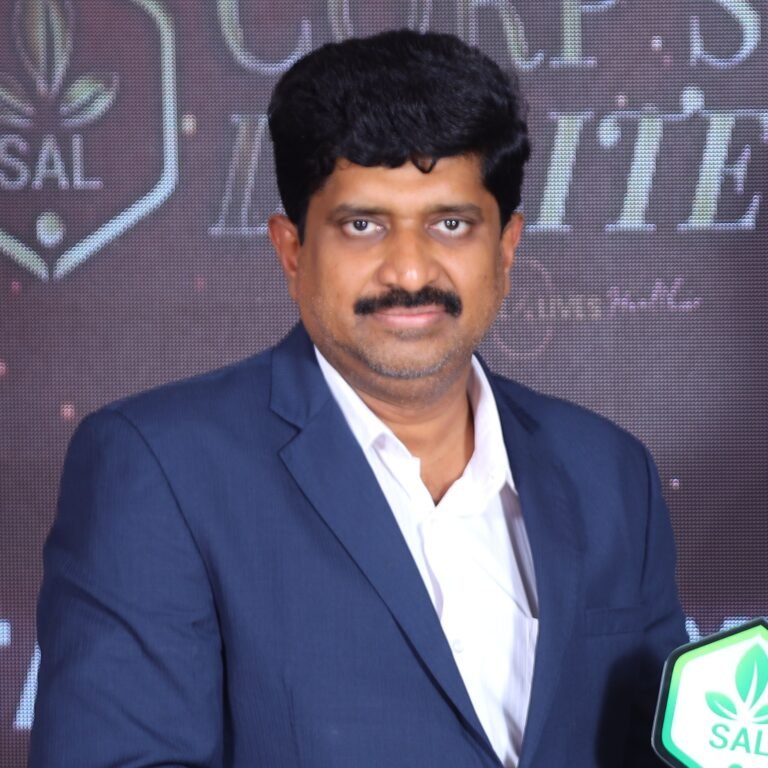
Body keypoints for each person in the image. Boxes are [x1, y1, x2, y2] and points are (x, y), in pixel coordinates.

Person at [29, 29, 687, 768]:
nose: (409, 271)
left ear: (505, 249)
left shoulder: (609, 473)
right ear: (292, 250)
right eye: (363, 225)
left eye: (450, 224)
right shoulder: (161, 470)